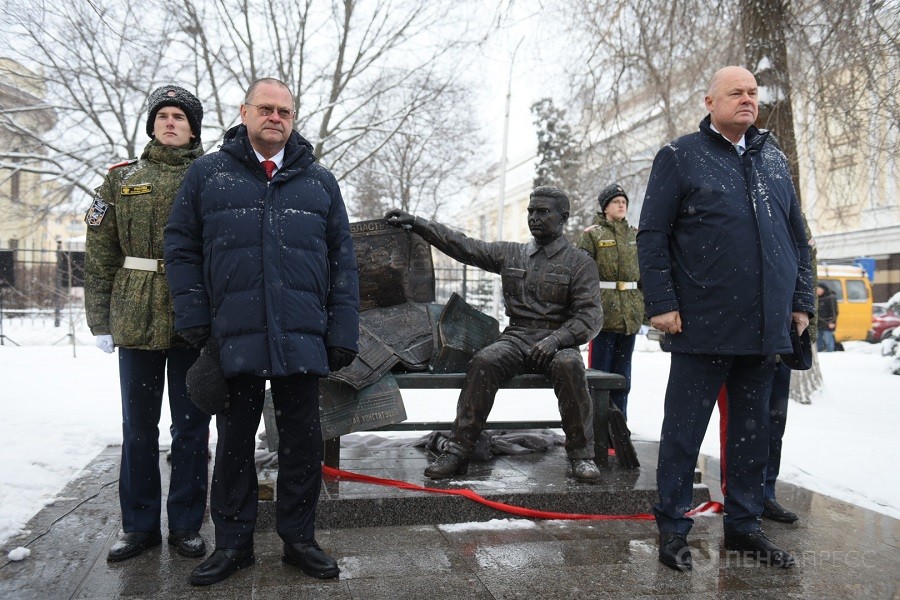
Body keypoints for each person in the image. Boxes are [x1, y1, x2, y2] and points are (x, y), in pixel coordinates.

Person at [163, 78, 359, 586]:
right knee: (232, 442)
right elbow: (180, 248)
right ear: (245, 112)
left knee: (302, 441)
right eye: (266, 109)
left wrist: (341, 329)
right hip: (233, 334)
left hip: (300, 333)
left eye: (286, 111)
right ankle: (233, 544)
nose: (276, 117)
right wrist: (193, 318)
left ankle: (298, 539)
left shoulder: (319, 181)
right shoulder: (208, 175)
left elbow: (343, 262)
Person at [637, 66, 814, 571]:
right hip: (701, 326)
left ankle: (743, 525)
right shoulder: (680, 156)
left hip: (765, 329)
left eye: (753, 93)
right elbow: (652, 235)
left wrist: (800, 302)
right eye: (736, 92)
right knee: (683, 435)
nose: (747, 100)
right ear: (710, 100)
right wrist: (662, 303)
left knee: (753, 435)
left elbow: (797, 238)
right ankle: (673, 529)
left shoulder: (774, 160)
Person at [385, 186, 605, 484]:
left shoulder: (579, 262)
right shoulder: (512, 254)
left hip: (558, 341)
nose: (534, 217)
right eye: (530, 211)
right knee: (484, 361)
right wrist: (420, 223)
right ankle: (458, 449)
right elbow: (463, 246)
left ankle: (582, 455)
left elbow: (590, 316)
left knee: (570, 366)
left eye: (543, 212)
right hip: (516, 338)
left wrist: (556, 340)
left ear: (563, 217)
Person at [84, 85, 211, 562]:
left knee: (192, 428)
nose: (171, 122)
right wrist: (99, 320)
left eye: (180, 115)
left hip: (191, 316)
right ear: (152, 125)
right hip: (135, 314)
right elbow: (100, 256)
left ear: (193, 126)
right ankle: (138, 527)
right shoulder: (120, 179)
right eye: (163, 115)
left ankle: (185, 526)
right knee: (138, 428)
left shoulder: (210, 177)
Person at [577, 183, 643, 420]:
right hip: (603, 316)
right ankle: (597, 428)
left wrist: (643, 308)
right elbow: (582, 276)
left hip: (630, 315)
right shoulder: (592, 235)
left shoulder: (635, 234)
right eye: (616, 201)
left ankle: (618, 426)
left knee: (623, 377)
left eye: (624, 201)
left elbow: (643, 274)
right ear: (605, 207)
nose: (622, 204)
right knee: (599, 376)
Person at [816, 283, 838, 352]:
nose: (817, 291)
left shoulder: (830, 298)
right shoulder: (818, 298)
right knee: (819, 343)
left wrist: (832, 322)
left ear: (823, 289)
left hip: (828, 324)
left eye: (818, 289)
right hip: (819, 324)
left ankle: (830, 355)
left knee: (829, 341)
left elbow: (834, 312)